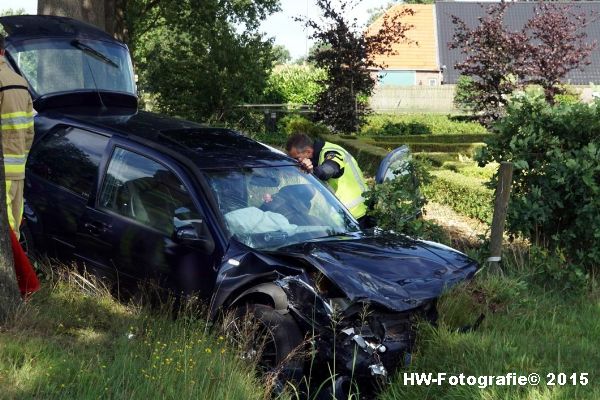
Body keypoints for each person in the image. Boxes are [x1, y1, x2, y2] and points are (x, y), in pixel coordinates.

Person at [286, 133, 373, 228]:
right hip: (344, 214)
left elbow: (328, 169)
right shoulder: (317, 157)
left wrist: (312, 170)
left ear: (308, 152)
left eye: (296, 158)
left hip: (356, 214)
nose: (296, 162)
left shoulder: (331, 152)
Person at [0, 34, 35, 240]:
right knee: (13, 231)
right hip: (18, 172)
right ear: (3, 52)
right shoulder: (21, 82)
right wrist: (21, 157)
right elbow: (30, 131)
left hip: (2, 173)